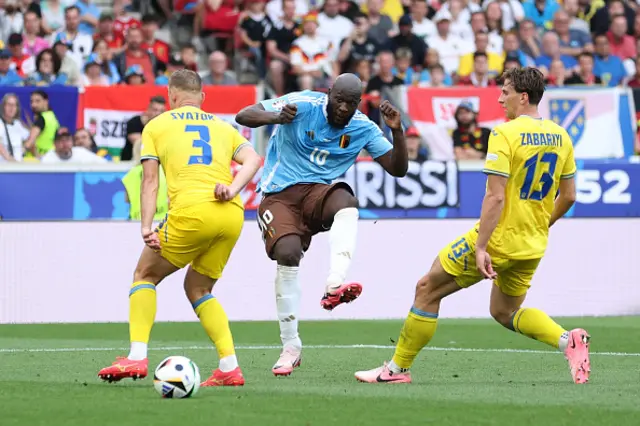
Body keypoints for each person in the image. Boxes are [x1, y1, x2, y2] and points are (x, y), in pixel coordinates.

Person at [354, 67, 591, 385]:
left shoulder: (505, 134)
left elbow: (495, 198)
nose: (499, 97)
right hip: (532, 244)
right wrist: (539, 224)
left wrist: (481, 247)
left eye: (505, 91)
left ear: (523, 96)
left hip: (497, 240)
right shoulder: (561, 136)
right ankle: (568, 341)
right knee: (504, 312)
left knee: (427, 289)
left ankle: (397, 370)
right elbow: (570, 195)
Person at [235, 73, 408, 377]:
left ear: (358, 103)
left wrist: (397, 132)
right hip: (279, 195)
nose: (344, 108)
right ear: (328, 94)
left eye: (352, 103)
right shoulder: (302, 103)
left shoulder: (363, 127)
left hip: (317, 193)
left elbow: (397, 168)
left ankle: (334, 284)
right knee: (287, 253)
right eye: (339, 100)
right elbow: (243, 115)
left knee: (346, 202)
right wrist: (276, 116)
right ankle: (291, 347)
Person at [97, 69, 262, 387]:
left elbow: (149, 180)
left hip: (192, 212)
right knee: (198, 288)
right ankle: (229, 366)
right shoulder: (222, 126)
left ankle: (135, 356)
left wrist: (146, 226)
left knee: (145, 275)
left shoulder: (157, 125)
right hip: (230, 215)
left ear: (171, 96)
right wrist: (232, 189)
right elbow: (254, 159)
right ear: (202, 98)